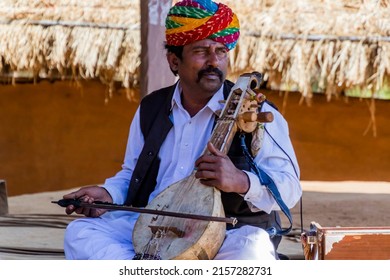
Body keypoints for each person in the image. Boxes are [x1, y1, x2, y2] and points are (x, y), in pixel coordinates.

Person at [62, 0, 302, 260]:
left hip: (228, 232)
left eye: (221, 51)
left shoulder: (259, 113)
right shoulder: (151, 108)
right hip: (153, 224)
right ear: (174, 61)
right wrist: (107, 194)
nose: (214, 61)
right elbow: (133, 174)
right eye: (201, 51)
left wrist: (241, 181)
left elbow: (289, 189)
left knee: (252, 252)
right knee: (80, 233)